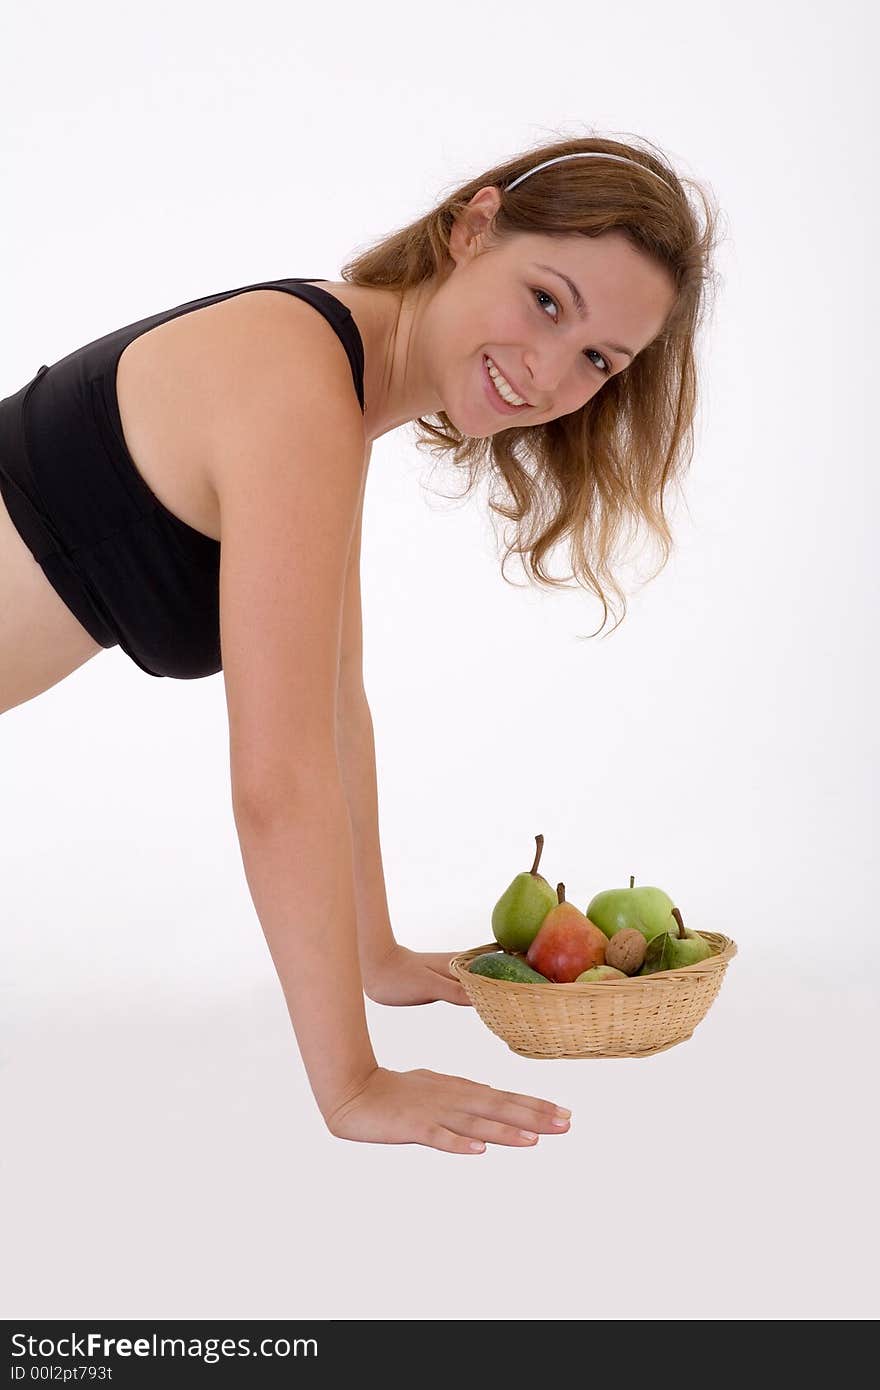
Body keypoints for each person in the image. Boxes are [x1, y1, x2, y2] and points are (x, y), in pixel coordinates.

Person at [0, 136, 719, 1152]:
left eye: (600, 359)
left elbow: (336, 699)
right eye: (547, 302)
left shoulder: (337, 379)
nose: (551, 373)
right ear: (473, 230)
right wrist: (351, 1083)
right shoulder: (301, 387)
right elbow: (276, 781)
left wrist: (373, 952)